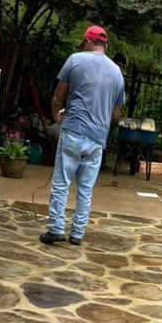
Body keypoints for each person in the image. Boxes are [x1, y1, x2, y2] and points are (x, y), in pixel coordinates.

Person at [40, 25, 125, 246]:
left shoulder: (75, 60)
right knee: (85, 189)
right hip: (97, 138)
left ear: (88, 41)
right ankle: (77, 234)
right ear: (105, 45)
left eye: (83, 43)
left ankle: (56, 229)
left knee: (62, 183)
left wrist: (57, 118)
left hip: (74, 131)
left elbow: (57, 98)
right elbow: (116, 114)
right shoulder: (117, 72)